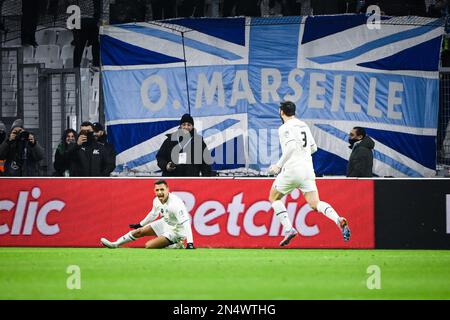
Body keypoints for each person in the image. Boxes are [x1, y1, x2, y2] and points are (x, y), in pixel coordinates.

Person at [268, 101, 351, 246]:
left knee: (274, 198)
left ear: (281, 112)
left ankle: (289, 229)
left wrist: (278, 165)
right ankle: (337, 219)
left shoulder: (284, 127)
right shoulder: (303, 125)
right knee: (315, 204)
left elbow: (291, 147)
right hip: (307, 170)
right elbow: (313, 148)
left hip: (292, 169)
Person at [101, 180, 195, 249]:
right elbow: (153, 214)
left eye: (162, 189)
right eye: (157, 190)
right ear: (154, 191)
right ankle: (115, 244)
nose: (160, 192)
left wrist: (190, 243)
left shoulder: (175, 204)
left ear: (167, 190)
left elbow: (186, 223)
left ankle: (177, 244)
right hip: (165, 223)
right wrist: (140, 224)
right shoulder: (156, 200)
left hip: (176, 230)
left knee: (149, 246)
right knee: (139, 231)